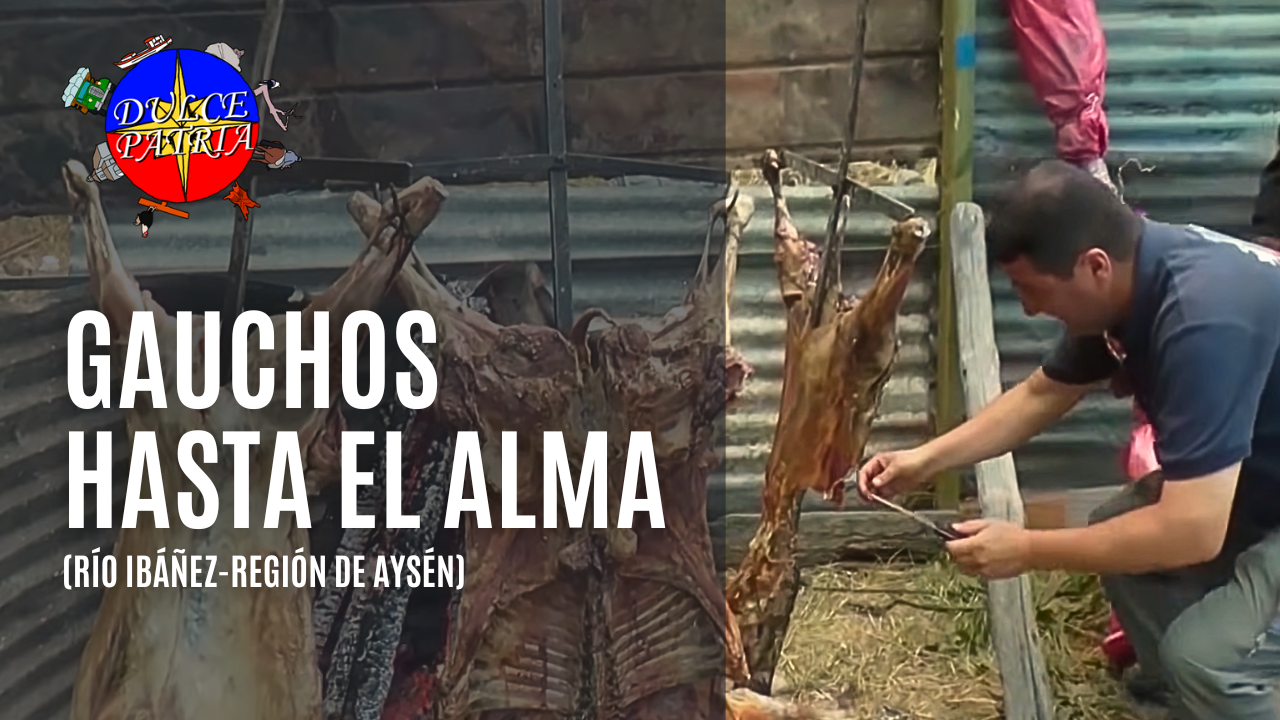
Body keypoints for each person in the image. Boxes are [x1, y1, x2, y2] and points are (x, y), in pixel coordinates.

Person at [857, 159, 1280, 720]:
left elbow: (1193, 531)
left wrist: (1028, 549)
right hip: (1255, 487)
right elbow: (1040, 395)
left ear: (1094, 266)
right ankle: (1187, 705)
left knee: (1204, 657)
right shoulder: (1135, 280)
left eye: (1033, 291)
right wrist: (922, 461)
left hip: (1254, 506)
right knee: (1123, 540)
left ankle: (1218, 686)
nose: (1030, 309)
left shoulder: (1202, 321)